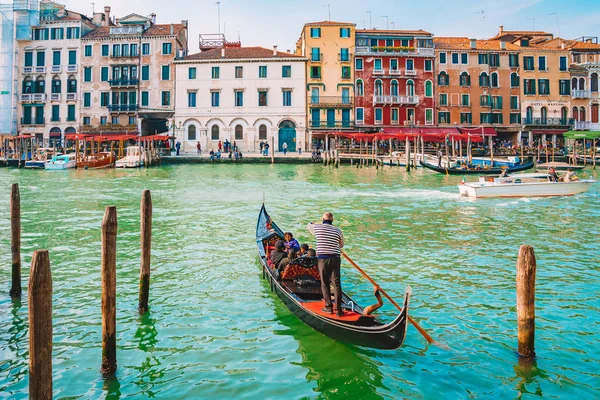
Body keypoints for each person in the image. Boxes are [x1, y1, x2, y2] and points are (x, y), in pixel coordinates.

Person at [307, 212, 345, 317]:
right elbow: (341, 245)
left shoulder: (317, 227)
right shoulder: (338, 230)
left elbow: (308, 225)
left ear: (323, 219)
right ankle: (338, 310)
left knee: (325, 283)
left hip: (323, 259)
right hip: (335, 258)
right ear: (332, 220)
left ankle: (329, 307)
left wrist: (317, 222)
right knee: (336, 284)